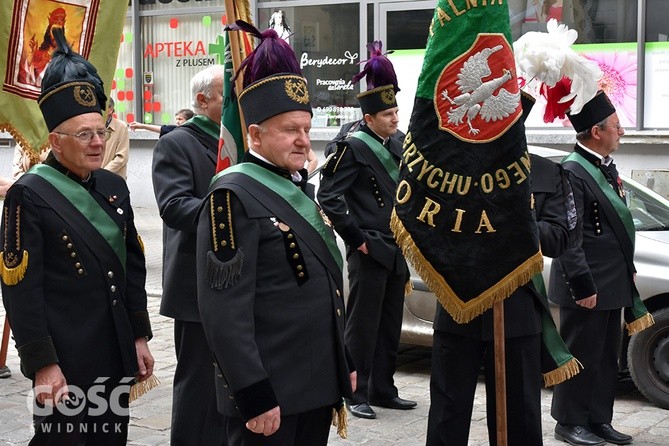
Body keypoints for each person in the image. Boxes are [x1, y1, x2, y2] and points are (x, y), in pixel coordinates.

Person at [196, 22, 354, 445]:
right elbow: (224, 312)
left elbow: (325, 290)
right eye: (290, 130)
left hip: (315, 386)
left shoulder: (297, 187)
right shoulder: (232, 195)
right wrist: (253, 393)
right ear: (254, 134)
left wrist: (345, 359)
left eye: (307, 128)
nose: (304, 141)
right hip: (271, 396)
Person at [1, 36, 154, 445]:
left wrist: (138, 334)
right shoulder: (28, 194)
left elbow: (132, 265)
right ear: (54, 142)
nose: (98, 143)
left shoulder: (112, 187)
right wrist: (42, 364)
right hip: (65, 359)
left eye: (100, 131)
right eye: (84, 135)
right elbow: (21, 291)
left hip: (113, 351)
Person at [425, 92, 578, 446]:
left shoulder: (545, 171)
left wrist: (515, 218)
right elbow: (428, 233)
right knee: (448, 411)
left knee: (519, 415)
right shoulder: (450, 173)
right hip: (458, 303)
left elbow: (559, 239)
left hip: (516, 309)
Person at [317, 41, 416, 420]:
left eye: (396, 112)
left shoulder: (398, 141)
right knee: (362, 324)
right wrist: (356, 238)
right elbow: (328, 195)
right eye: (389, 114)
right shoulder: (352, 147)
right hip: (369, 247)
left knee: (390, 321)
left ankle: (383, 388)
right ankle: (354, 393)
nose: (395, 119)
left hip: (396, 246)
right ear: (370, 117)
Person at [549, 91, 654, 446]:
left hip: (613, 280)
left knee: (608, 357)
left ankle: (598, 419)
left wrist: (628, 268)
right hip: (587, 284)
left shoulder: (603, 167)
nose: (621, 132)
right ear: (597, 131)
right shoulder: (572, 171)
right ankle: (569, 421)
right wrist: (582, 284)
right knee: (580, 355)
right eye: (617, 126)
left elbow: (615, 228)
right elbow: (570, 236)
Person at [151, 64, 226, 445]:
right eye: (227, 96)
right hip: (196, 283)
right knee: (198, 386)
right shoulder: (177, 142)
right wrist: (233, 211)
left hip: (237, 281)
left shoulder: (239, 140)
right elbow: (175, 206)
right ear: (203, 100)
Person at [101, 98, 129, 179]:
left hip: (114, 180)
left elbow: (121, 158)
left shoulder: (121, 127)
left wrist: (101, 174)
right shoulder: (92, 127)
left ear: (110, 110)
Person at [129, 108, 194, 137]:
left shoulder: (194, 132)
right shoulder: (175, 129)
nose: (177, 122)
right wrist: (141, 126)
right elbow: (160, 129)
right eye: (176, 119)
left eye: (180, 119)